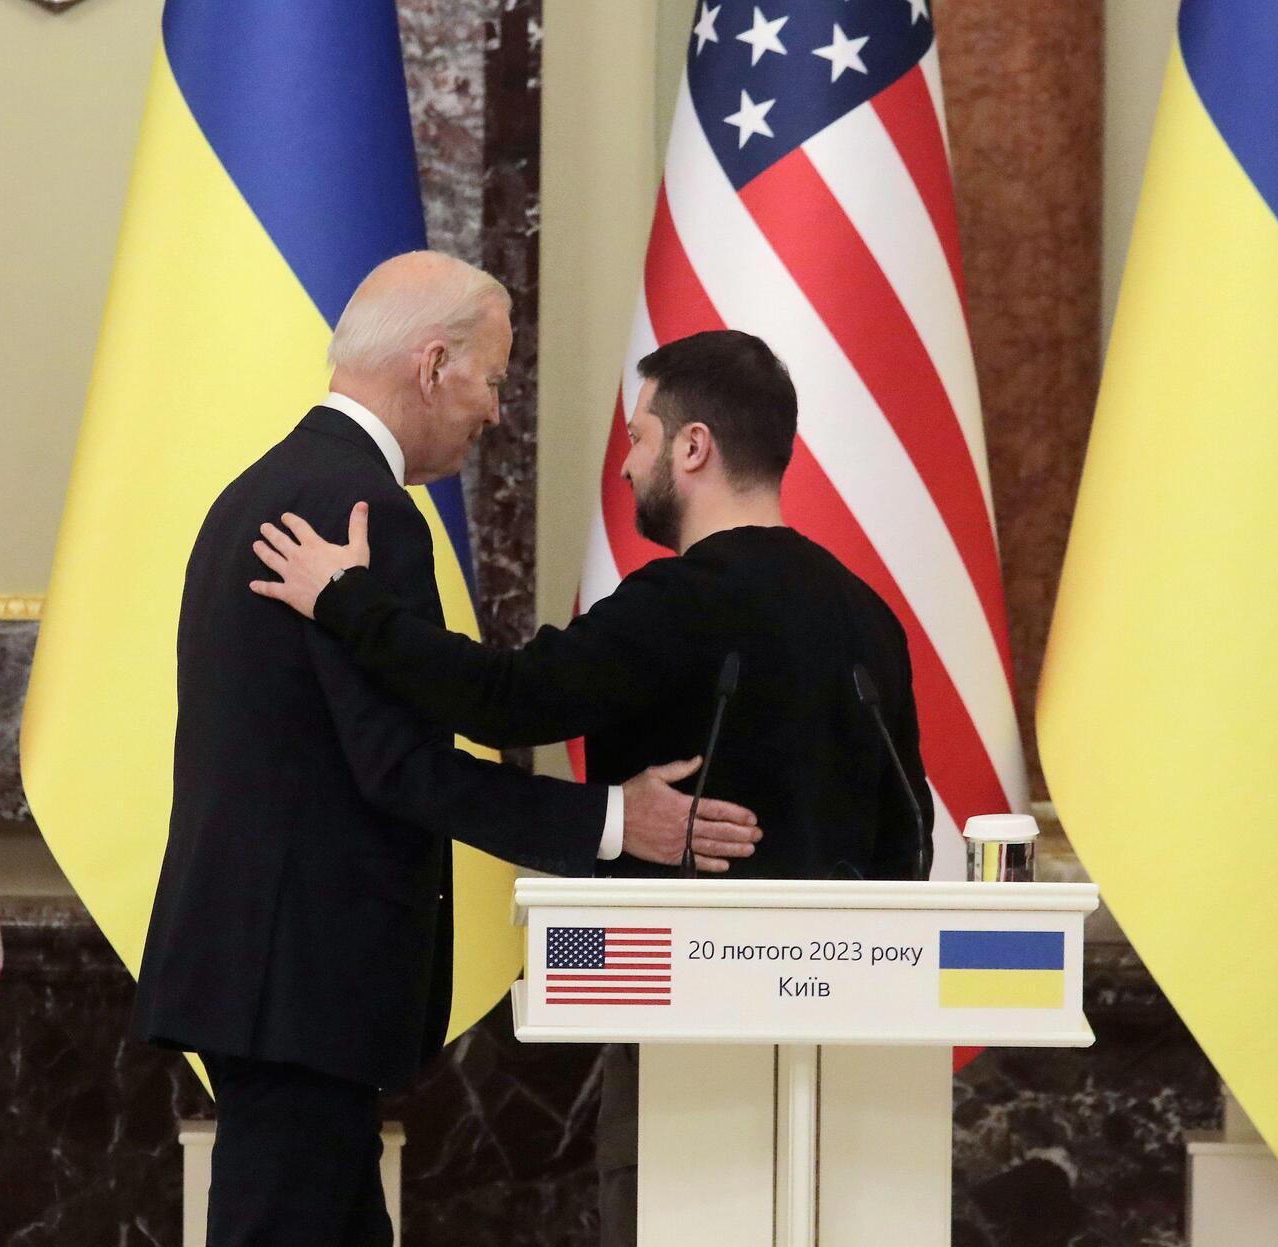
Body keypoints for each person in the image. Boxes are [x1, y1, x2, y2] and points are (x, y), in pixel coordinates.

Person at [131, 254, 764, 1247]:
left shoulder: (258, 488)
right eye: (494, 379)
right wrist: (614, 818)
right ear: (433, 366)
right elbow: (403, 767)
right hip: (303, 984)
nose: (497, 411)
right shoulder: (366, 512)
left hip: (263, 972)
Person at [247, 327, 930, 1241]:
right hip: (852, 1059)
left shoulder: (677, 602)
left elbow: (504, 702)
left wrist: (348, 601)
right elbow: (907, 832)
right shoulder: (869, 615)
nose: (627, 465)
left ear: (694, 448)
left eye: (639, 437)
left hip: (684, 1040)